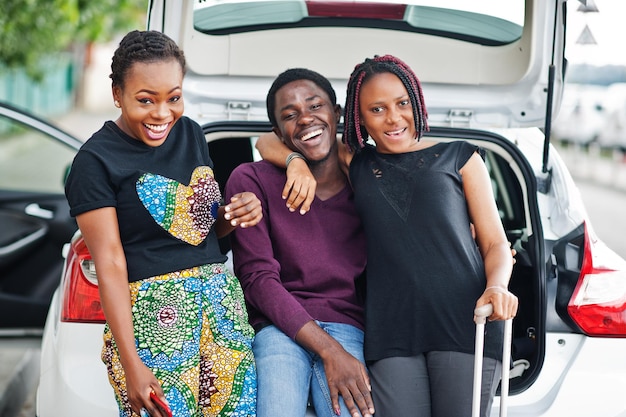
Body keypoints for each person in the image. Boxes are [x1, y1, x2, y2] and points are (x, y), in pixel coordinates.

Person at [256, 55, 519, 417]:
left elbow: (494, 243)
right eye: (377, 109)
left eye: (402, 104)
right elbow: (265, 140)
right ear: (358, 118)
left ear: (416, 101)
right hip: (390, 332)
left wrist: (499, 286)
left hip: (464, 320)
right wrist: (295, 162)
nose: (394, 118)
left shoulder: (461, 156)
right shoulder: (357, 163)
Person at [64, 30, 260, 417]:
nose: (161, 113)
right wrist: (132, 362)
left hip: (220, 313)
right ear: (117, 94)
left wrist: (235, 214)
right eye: (145, 100)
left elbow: (204, 231)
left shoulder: (190, 134)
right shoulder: (94, 161)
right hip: (156, 325)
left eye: (173, 97)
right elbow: (111, 264)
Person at [224, 68, 375, 417]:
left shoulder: (366, 182)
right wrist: (330, 351)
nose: (305, 119)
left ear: (336, 113)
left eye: (315, 105)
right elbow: (258, 280)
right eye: (289, 115)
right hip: (278, 328)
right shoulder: (251, 180)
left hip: (348, 327)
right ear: (277, 132)